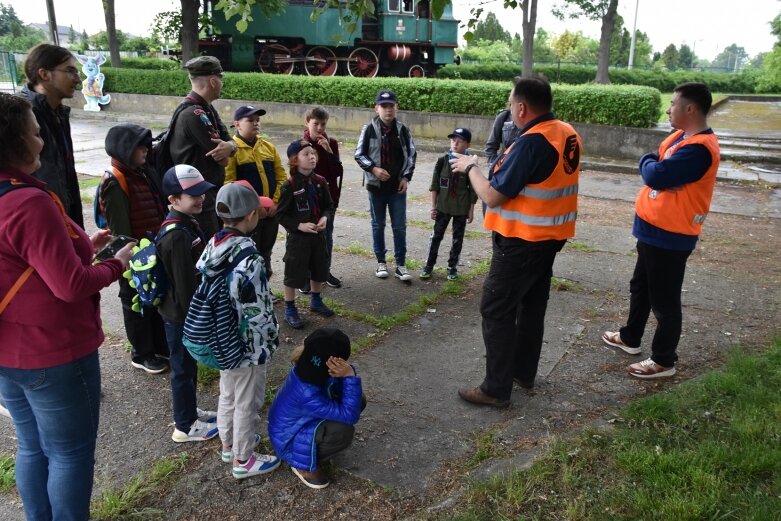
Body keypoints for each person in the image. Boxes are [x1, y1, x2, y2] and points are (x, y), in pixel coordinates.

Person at [0, 92, 134, 520]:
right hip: (53, 352)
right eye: (36, 133)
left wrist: (82, 246)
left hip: (9, 351)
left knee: (33, 445)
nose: (42, 141)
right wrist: (117, 263)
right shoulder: (29, 202)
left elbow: (24, 260)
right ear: (16, 143)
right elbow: (71, 286)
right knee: (70, 454)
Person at [450, 77, 582, 407]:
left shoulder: (533, 141)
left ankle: (495, 389)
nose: (509, 110)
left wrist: (470, 167)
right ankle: (523, 372)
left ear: (521, 107)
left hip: (522, 241)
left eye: (510, 104)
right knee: (531, 306)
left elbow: (493, 195)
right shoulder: (565, 132)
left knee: (495, 307)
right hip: (549, 237)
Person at [602, 82, 720, 379]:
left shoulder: (699, 150)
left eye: (673, 103)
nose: (668, 109)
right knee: (640, 286)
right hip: (652, 230)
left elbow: (655, 174)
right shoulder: (681, 137)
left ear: (690, 108)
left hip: (671, 235)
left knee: (664, 299)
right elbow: (655, 164)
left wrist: (651, 165)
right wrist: (652, 164)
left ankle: (664, 360)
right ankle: (630, 337)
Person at [201, 181, 280, 479]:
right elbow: (257, 309)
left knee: (228, 392)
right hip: (245, 341)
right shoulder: (249, 257)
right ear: (250, 216)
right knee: (248, 399)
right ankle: (243, 459)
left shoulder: (214, 244)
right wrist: (269, 339)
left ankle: (228, 443)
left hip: (221, 335)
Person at [157, 164, 221, 442]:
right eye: (193, 194)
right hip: (181, 316)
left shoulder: (186, 224)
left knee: (188, 367)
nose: (201, 198)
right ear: (173, 199)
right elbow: (184, 287)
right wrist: (199, 320)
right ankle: (184, 426)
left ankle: (190, 412)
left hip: (184, 313)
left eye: (202, 192)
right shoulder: (176, 235)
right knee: (182, 369)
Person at [102, 123, 170, 374]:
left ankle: (158, 347)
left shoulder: (141, 171)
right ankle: (141, 353)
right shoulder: (116, 180)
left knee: (152, 299)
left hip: (151, 252)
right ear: (125, 149)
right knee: (134, 302)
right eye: (140, 145)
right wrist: (129, 259)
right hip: (134, 258)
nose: (146, 149)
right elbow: (120, 231)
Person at [268, 327, 364, 489]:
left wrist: (346, 375)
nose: (313, 375)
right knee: (342, 430)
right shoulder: (307, 392)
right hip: (288, 442)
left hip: (295, 426)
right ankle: (300, 465)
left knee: (358, 399)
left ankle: (313, 447)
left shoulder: (304, 364)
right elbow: (350, 415)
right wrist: (349, 376)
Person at [169, 55, 237, 239]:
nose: (222, 84)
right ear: (213, 81)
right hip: (199, 200)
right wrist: (230, 148)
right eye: (220, 79)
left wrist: (230, 146)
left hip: (205, 196)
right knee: (207, 253)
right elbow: (223, 160)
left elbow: (229, 140)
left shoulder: (206, 108)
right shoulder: (195, 114)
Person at [354, 89, 417, 282]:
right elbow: (359, 155)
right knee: (378, 225)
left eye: (391, 106)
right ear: (377, 108)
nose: (388, 110)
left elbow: (412, 155)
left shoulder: (402, 130)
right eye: (384, 106)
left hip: (397, 188)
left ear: (396, 108)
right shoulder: (369, 129)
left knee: (399, 226)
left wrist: (406, 178)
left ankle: (400, 265)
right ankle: (381, 262)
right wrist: (374, 170)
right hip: (376, 188)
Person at [20, 43, 84, 228]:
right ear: (45, 74)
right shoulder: (19, 115)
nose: (78, 79)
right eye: (70, 71)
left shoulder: (58, 114)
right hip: (38, 223)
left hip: (63, 220)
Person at [277, 139, 335, 329]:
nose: (312, 157)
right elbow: (281, 214)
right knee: (293, 273)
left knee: (319, 268)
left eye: (313, 153)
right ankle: (290, 307)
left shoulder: (320, 182)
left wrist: (325, 218)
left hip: (318, 236)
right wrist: (299, 226)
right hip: (298, 240)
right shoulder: (289, 186)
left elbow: (329, 205)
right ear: (295, 160)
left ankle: (316, 301)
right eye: (306, 154)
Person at [225, 105, 287, 279]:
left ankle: (265, 285)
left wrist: (275, 202)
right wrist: (254, 207)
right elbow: (230, 183)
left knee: (266, 250)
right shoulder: (232, 151)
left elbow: (281, 176)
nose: (255, 123)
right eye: (250, 120)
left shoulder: (268, 147)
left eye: (257, 120)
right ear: (237, 124)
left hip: (270, 212)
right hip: (249, 215)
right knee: (250, 251)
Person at [420, 127, 477, 281]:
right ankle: (429, 265)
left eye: (460, 141)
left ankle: (452, 267)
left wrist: (471, 209)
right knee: (436, 236)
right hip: (443, 206)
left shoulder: (470, 165)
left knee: (457, 239)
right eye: (453, 140)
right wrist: (433, 206)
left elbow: (473, 189)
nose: (455, 143)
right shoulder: (442, 161)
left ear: (468, 145)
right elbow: (435, 186)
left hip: (461, 208)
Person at [302, 106, 344, 291]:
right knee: (306, 238)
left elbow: (337, 171)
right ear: (307, 123)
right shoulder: (301, 144)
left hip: (328, 199)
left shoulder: (331, 143)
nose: (319, 128)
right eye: (316, 124)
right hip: (307, 200)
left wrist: (328, 152)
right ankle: (306, 276)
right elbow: (297, 173)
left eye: (323, 124)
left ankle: (325, 271)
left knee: (326, 237)